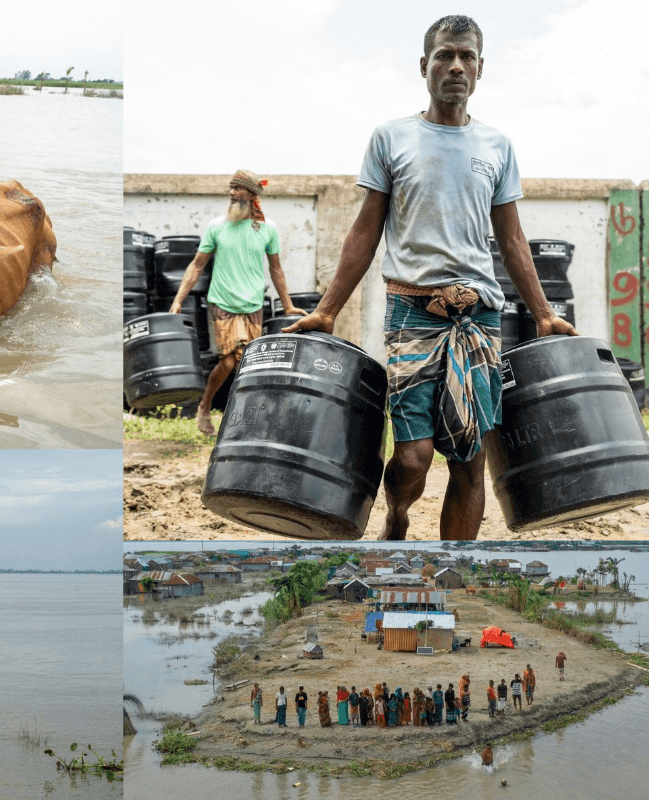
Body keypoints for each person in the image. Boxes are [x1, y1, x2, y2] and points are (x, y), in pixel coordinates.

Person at [283, 14, 576, 540]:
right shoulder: (391, 137)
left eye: (466, 56)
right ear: (424, 66)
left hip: (479, 317)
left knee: (468, 459)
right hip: (412, 313)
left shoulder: (497, 146)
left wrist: (544, 313)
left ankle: (452, 573)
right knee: (414, 458)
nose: (455, 66)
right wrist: (327, 309)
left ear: (481, 69)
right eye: (444, 55)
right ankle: (396, 517)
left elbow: (511, 240)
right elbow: (364, 231)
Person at [168, 169, 301, 435]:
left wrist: (287, 305)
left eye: (237, 188)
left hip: (253, 305)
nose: (231, 193)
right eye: (230, 188)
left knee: (247, 365)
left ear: (252, 195)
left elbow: (276, 269)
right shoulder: (217, 226)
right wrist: (177, 300)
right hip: (222, 302)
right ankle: (205, 406)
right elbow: (197, 265)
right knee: (227, 363)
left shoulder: (267, 229)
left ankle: (244, 419)